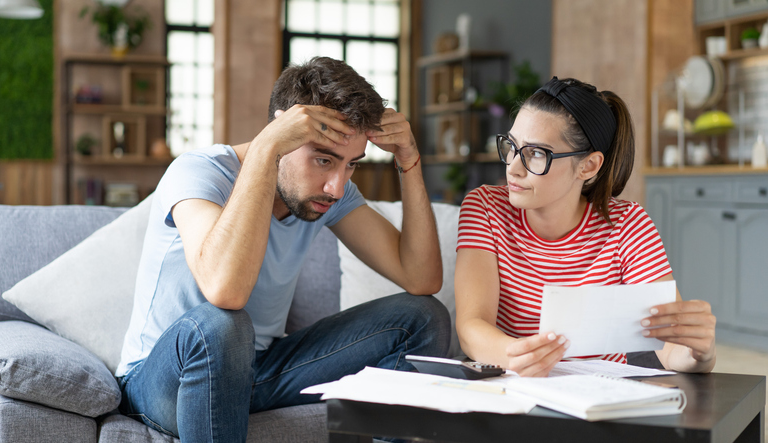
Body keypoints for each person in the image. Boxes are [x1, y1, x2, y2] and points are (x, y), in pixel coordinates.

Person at [115, 56, 450, 441]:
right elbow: (226, 291)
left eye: (351, 164)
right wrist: (266, 149)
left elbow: (421, 278)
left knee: (422, 316)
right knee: (222, 324)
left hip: (258, 371)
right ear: (282, 131)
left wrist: (409, 160)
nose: (336, 187)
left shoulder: (329, 195)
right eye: (324, 160)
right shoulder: (199, 171)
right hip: (162, 379)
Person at [455, 77, 716, 377]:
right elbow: (472, 326)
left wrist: (700, 352)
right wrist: (514, 357)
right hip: (511, 388)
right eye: (512, 146)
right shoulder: (485, 207)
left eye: (536, 154)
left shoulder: (629, 225)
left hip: (598, 400)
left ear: (588, 166)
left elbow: (669, 347)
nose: (513, 167)